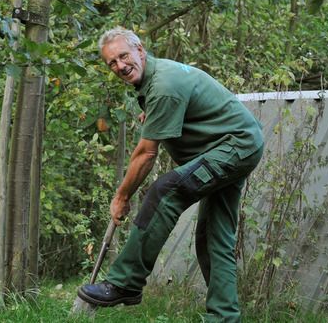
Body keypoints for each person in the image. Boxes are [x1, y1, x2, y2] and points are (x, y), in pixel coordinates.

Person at [77, 26, 264, 323]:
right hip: (235, 146)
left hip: (233, 146)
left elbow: (146, 154)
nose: (120, 66)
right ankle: (225, 318)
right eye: (112, 63)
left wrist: (122, 196)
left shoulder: (164, 85)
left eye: (124, 56)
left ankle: (125, 282)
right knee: (214, 236)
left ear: (140, 50)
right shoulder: (155, 84)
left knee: (166, 190)